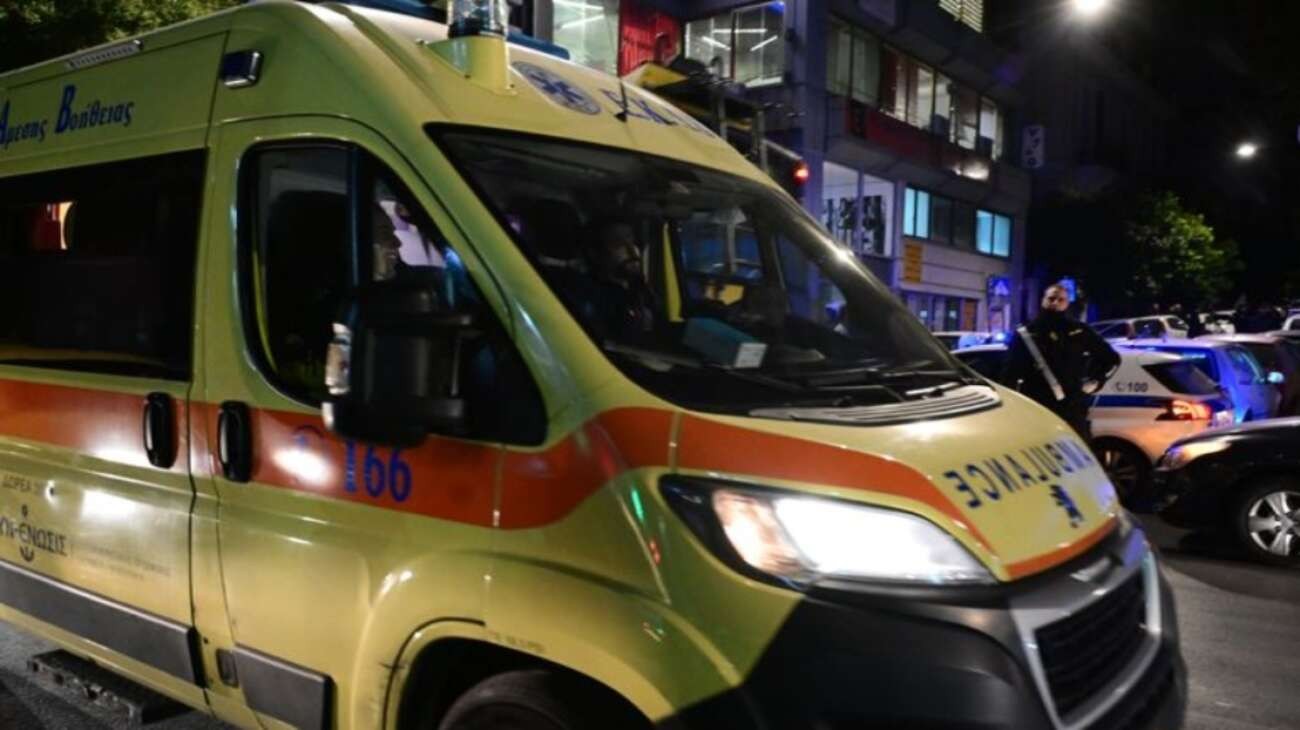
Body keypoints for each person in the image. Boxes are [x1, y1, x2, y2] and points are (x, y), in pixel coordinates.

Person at [1003, 284, 1121, 439]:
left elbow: (1112, 359)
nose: (1055, 302)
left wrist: (1095, 382)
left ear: (1067, 303)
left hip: (1072, 408)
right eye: (1051, 298)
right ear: (1043, 300)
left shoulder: (1079, 331)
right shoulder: (1026, 333)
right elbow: (1010, 373)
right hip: (1037, 407)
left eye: (1061, 299)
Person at [582, 218, 658, 341]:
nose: (632, 251)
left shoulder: (642, 287)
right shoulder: (591, 297)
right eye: (619, 245)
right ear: (595, 253)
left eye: (633, 242)